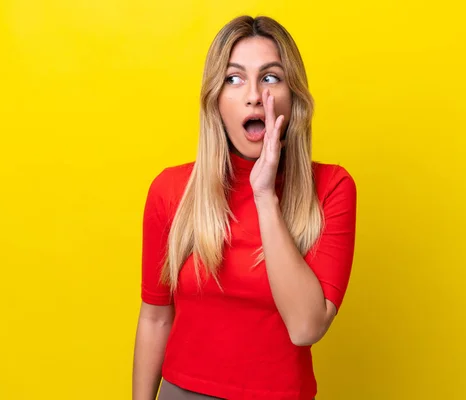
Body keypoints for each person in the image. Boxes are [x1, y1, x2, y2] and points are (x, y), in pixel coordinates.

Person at [132, 15, 357, 400]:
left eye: (270, 77)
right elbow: (155, 317)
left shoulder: (332, 188)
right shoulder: (171, 190)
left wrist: (265, 195)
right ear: (215, 100)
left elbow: (306, 327)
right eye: (234, 79)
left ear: (294, 98)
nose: (254, 95)